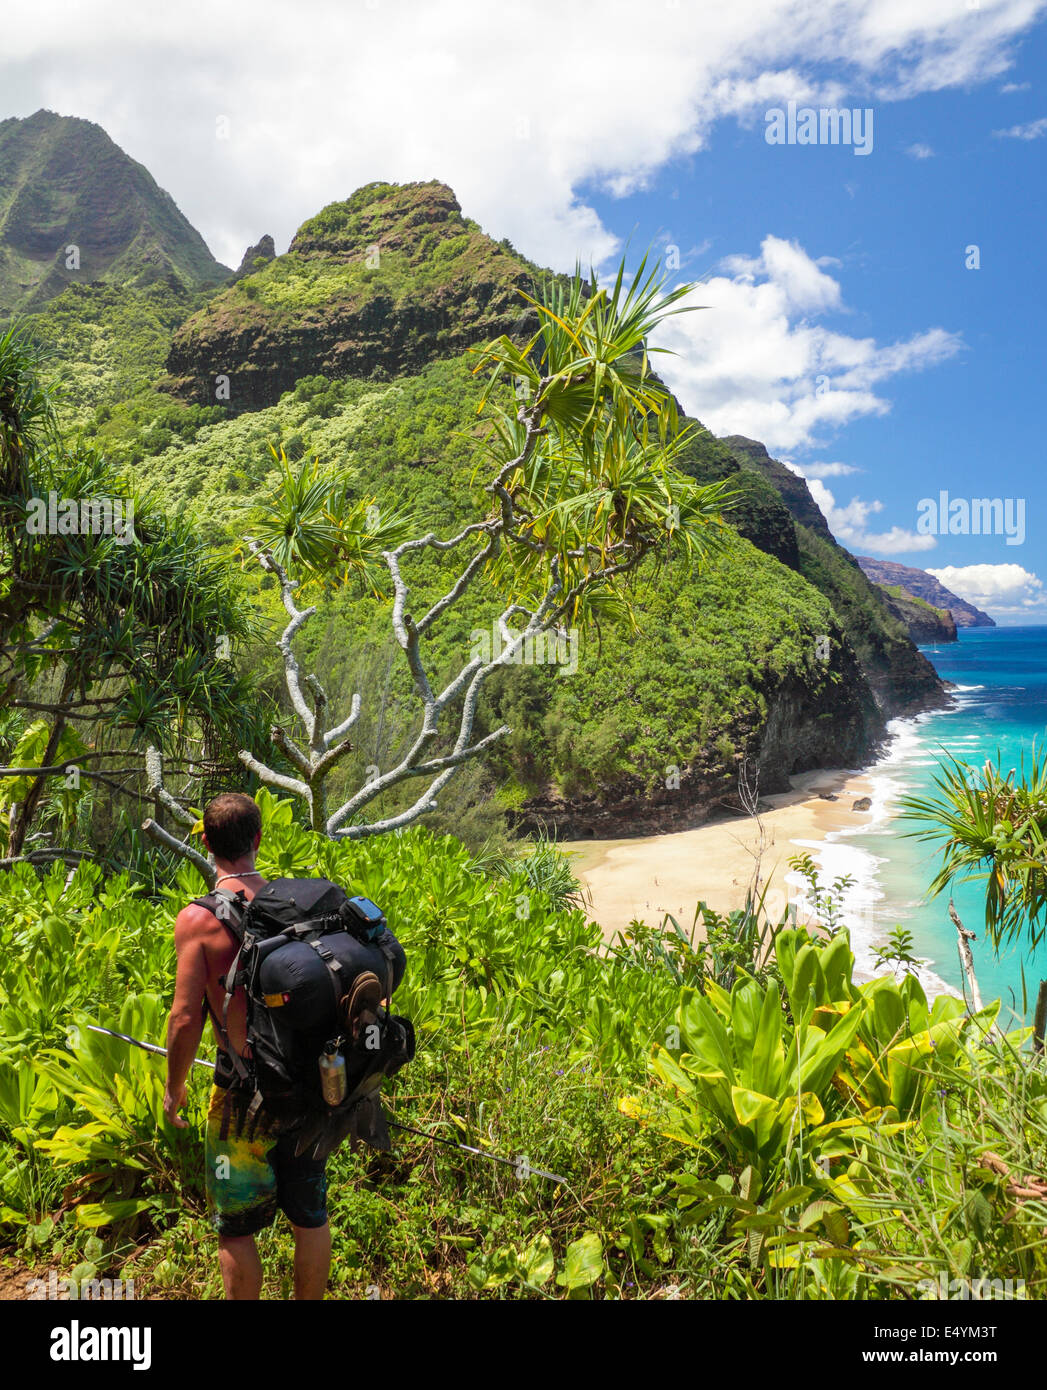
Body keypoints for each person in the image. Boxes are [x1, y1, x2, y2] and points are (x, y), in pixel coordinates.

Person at [163, 792, 332, 1301]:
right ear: (259, 839)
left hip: (241, 1091)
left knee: (235, 1227)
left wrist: (174, 1091)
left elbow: (186, 1016)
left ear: (208, 845)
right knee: (310, 1215)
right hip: (307, 1086)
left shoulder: (199, 920)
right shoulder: (298, 902)